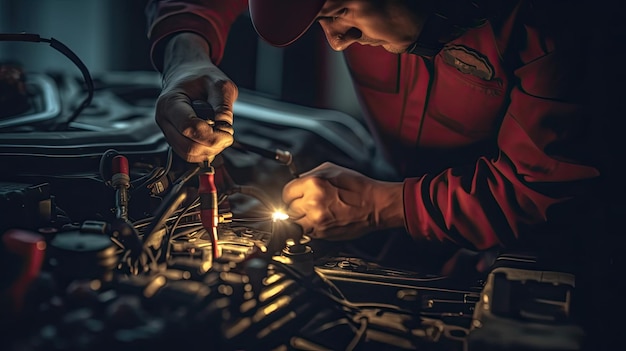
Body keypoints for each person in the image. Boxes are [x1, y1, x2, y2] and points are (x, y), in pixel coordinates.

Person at [145, 0, 606, 271]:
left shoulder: (552, 21)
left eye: (338, 11)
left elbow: (537, 192)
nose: (336, 42)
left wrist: (383, 205)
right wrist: (186, 55)